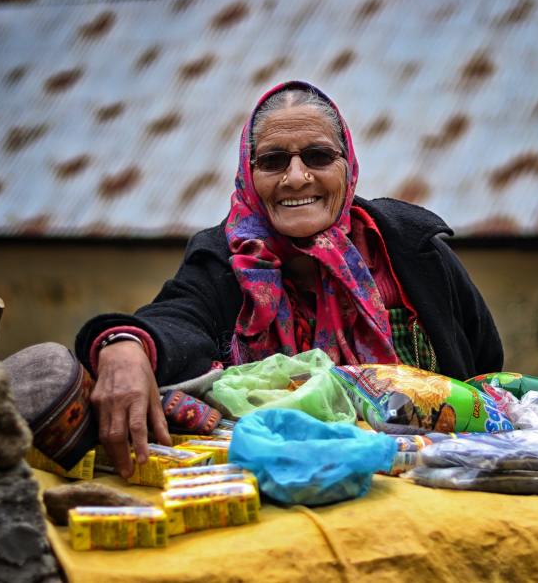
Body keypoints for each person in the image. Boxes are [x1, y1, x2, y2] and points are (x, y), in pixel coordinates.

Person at [75, 80, 503, 477]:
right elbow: (178, 318)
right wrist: (124, 344)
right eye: (274, 160)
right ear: (249, 172)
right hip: (285, 489)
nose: (297, 177)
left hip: (429, 489)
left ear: (348, 165)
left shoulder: (410, 251)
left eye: (318, 156)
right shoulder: (224, 260)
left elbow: (484, 364)